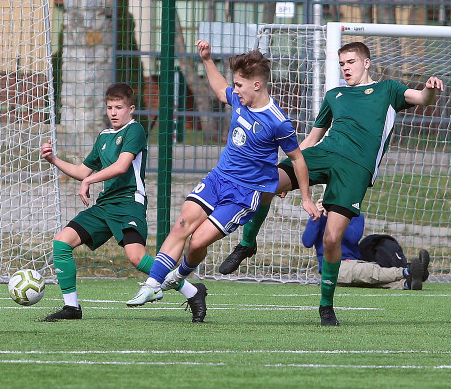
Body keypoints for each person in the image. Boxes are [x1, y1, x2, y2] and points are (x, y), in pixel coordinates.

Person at [220, 41, 444, 326]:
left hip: (356, 168)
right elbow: (312, 139)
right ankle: (247, 243)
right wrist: (290, 169)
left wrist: (430, 89)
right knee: (268, 181)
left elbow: (422, 98)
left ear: (366, 63)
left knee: (331, 239)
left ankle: (326, 305)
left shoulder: (388, 89)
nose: (345, 68)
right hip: (325, 153)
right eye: (341, 64)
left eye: (351, 62)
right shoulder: (335, 95)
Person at [126, 40, 319, 319]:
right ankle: (152, 285)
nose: (235, 90)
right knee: (182, 224)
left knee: (197, 242)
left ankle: (177, 276)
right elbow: (219, 90)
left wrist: (306, 198)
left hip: (245, 194)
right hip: (218, 178)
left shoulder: (278, 122)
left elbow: (298, 159)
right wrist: (206, 59)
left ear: (257, 85)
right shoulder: (240, 100)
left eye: (239, 85)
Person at [40, 83, 206, 322]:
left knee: (136, 258)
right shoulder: (104, 137)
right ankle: (71, 307)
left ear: (131, 109)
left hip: (129, 202)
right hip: (105, 205)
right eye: (110, 108)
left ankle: (192, 291)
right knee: (61, 243)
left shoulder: (134, 130)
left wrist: (89, 181)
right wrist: (54, 159)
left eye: (119, 107)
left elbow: (121, 166)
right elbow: (82, 171)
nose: (113, 113)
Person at [302, 199, 430, 290]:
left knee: (369, 278)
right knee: (368, 272)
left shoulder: (356, 216)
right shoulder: (319, 218)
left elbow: (353, 237)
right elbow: (307, 242)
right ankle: (407, 271)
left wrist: (335, 219)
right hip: (333, 267)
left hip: (353, 263)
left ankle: (407, 283)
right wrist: (318, 217)